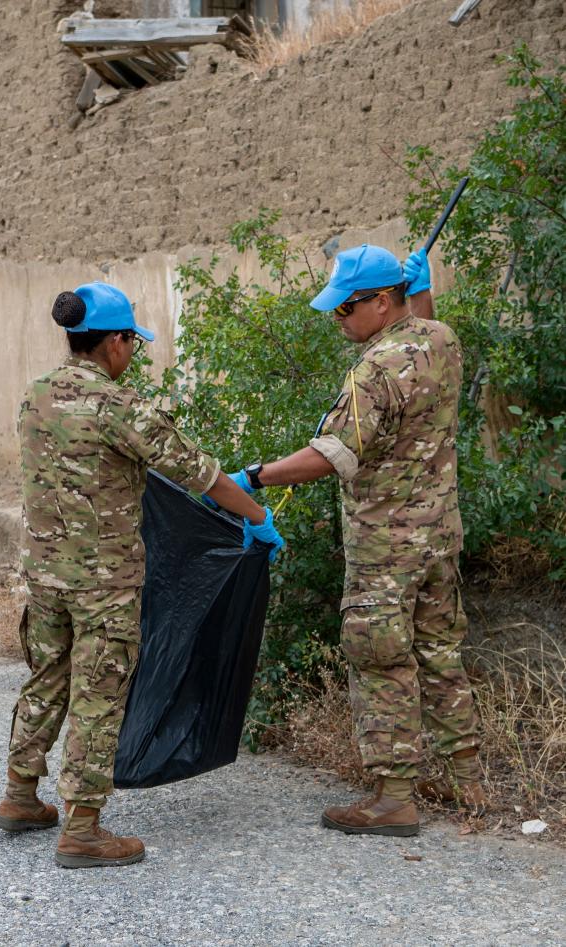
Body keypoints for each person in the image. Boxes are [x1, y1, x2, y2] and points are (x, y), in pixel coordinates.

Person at [0, 282, 282, 869]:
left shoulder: (36, 394)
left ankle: (20, 795)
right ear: (115, 341)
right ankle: (82, 830)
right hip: (102, 582)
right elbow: (200, 474)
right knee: (100, 693)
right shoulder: (118, 407)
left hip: (45, 573)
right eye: (133, 343)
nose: (133, 353)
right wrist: (257, 517)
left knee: (47, 677)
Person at [228, 245, 483, 836]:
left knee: (380, 660)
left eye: (346, 308)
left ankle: (394, 799)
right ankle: (468, 781)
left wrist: (254, 477)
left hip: (385, 549)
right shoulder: (441, 340)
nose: (337, 319)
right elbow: (422, 337)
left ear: (382, 301)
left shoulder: (374, 371)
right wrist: (422, 293)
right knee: (440, 651)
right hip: (439, 537)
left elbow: (332, 455)